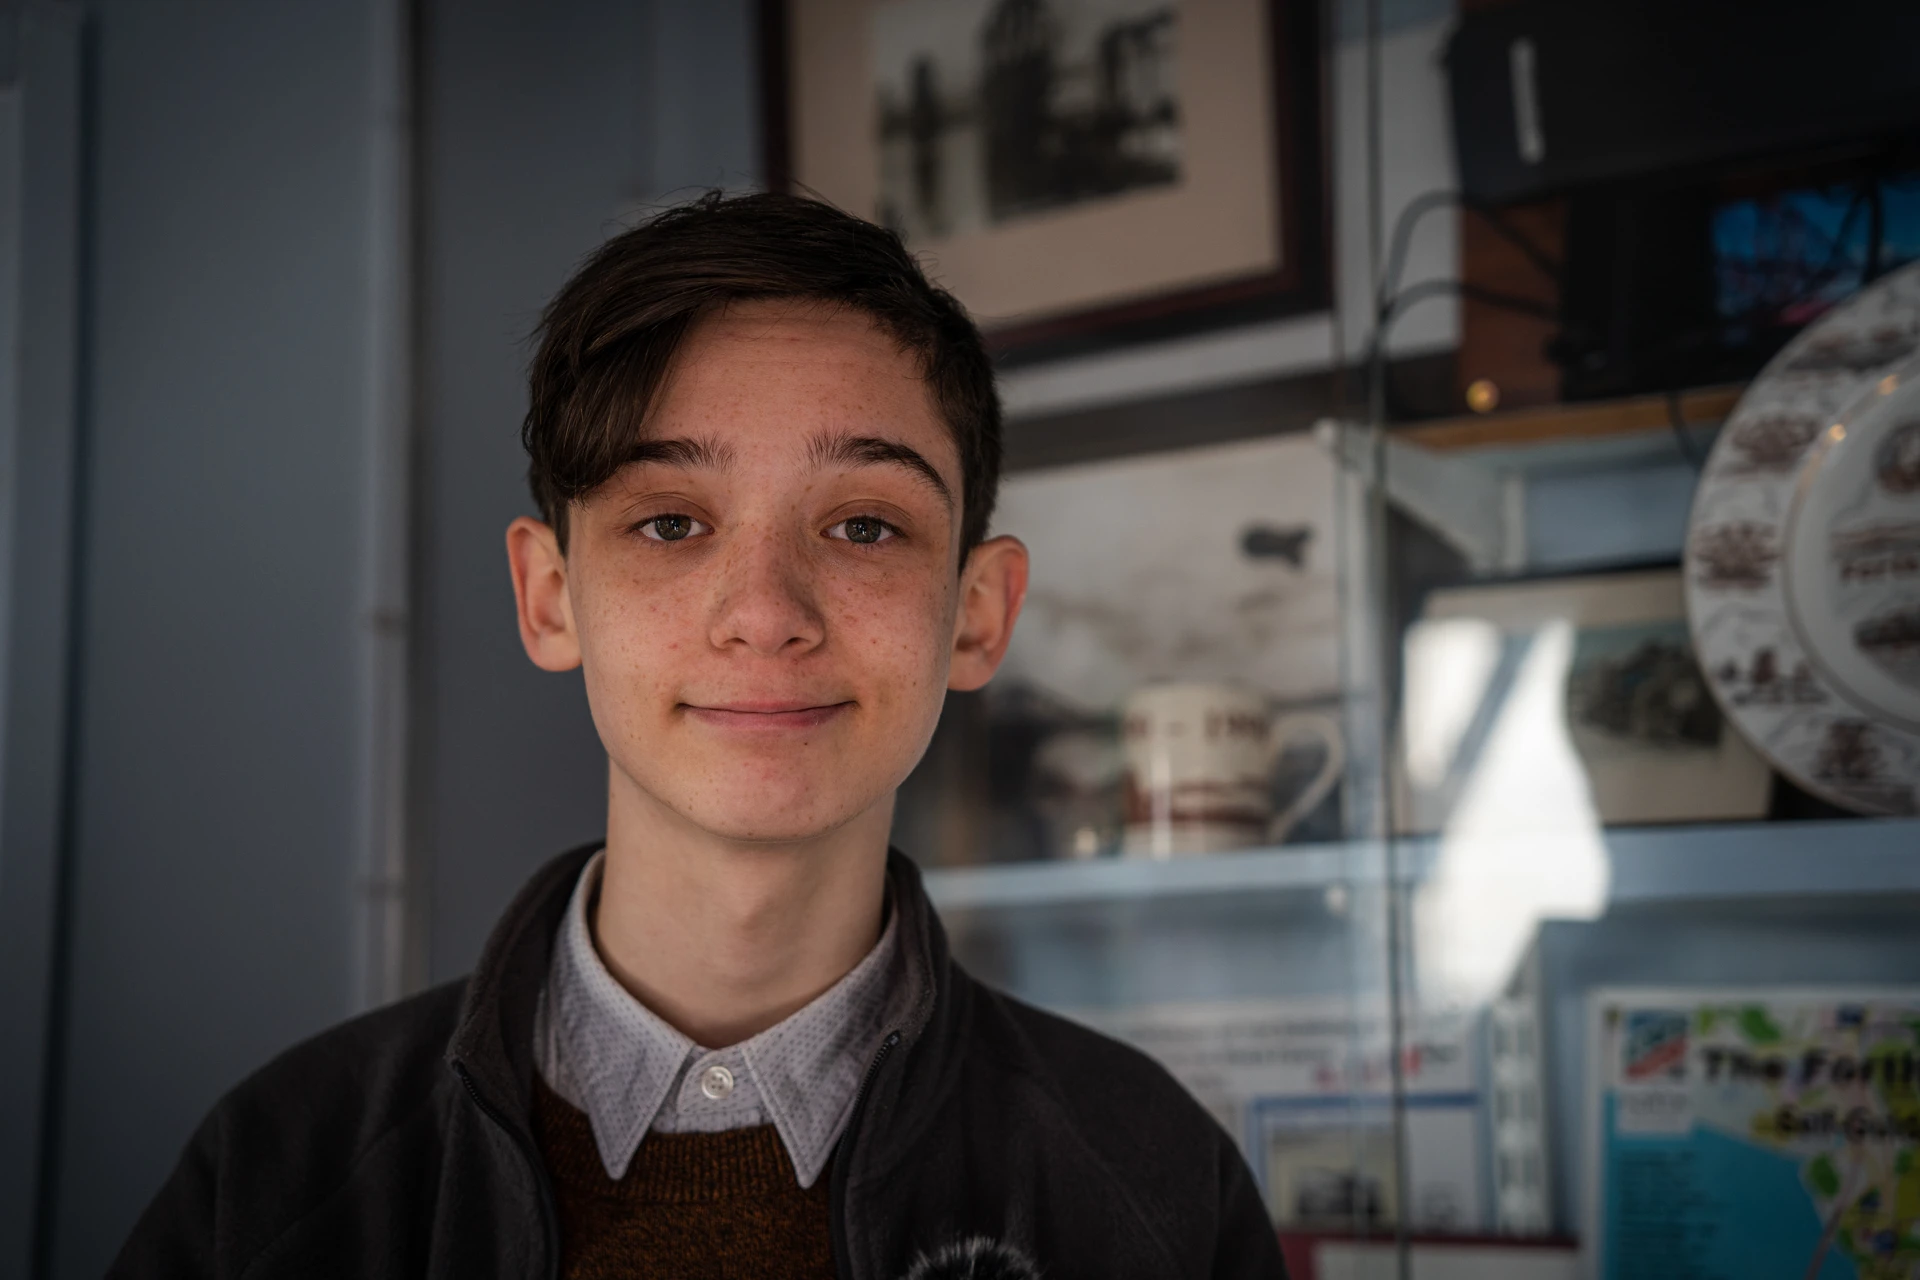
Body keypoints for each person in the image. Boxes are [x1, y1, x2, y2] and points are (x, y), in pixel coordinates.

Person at [111, 192, 1285, 1279]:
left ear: (977, 614)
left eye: (865, 525)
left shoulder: (1156, 1188)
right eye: (670, 521)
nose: (767, 611)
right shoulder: (279, 1178)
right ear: (551, 596)